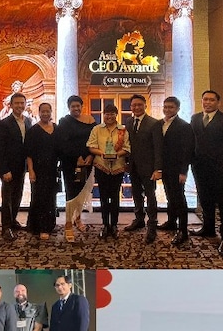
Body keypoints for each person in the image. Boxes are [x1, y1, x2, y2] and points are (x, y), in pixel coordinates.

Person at [189, 91, 223, 255]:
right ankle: (208, 227)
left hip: (221, 169)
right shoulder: (195, 118)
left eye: (211, 100)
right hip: (200, 168)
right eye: (205, 99)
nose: (208, 102)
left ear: (218, 102)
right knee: (205, 200)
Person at [55, 95, 97, 242]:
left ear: (81, 106)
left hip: (87, 162)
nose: (76, 108)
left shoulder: (90, 121)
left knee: (83, 193)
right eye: (73, 106)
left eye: (78, 106)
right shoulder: (64, 122)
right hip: (70, 163)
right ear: (69, 108)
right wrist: (76, 157)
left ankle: (78, 219)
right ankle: (68, 224)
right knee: (71, 193)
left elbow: (94, 140)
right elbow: (62, 143)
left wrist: (91, 156)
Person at [124, 93, 164, 242]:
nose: (136, 107)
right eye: (134, 105)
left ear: (145, 105)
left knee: (151, 196)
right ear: (131, 107)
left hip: (149, 168)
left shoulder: (154, 123)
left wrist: (158, 169)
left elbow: (158, 148)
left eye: (139, 105)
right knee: (136, 194)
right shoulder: (128, 121)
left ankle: (152, 226)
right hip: (133, 166)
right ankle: (139, 219)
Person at [86, 103, 129, 240]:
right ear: (103, 115)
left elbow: (127, 148)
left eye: (112, 114)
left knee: (115, 197)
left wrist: (117, 155)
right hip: (101, 166)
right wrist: (102, 153)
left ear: (116, 115)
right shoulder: (97, 129)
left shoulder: (123, 130)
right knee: (104, 198)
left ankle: (114, 226)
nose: (109, 116)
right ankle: (105, 225)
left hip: (117, 167)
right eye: (107, 114)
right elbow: (91, 146)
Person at [158, 97, 195, 247]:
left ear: (177, 109)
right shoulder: (160, 124)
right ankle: (172, 222)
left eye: (171, 107)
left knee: (179, 199)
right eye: (165, 107)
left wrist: (183, 172)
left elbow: (187, 151)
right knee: (169, 196)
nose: (167, 110)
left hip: (177, 169)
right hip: (165, 168)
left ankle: (183, 230)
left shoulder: (184, 126)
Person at [0, 92, 32, 240]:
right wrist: (4, 170)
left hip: (22, 167)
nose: (19, 106)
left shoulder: (29, 121)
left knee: (18, 195)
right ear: (11, 105)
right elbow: (0, 148)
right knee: (7, 198)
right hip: (9, 168)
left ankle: (13, 221)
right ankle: (5, 228)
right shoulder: (4, 123)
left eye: (22, 103)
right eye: (16, 103)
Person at [25, 102, 59, 239]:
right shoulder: (33, 130)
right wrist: (31, 171)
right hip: (38, 170)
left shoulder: (56, 128)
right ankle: (40, 227)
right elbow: (29, 153)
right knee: (39, 198)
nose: (45, 114)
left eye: (48, 111)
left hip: (52, 169)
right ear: (39, 113)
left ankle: (50, 225)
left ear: (51, 112)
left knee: (51, 198)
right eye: (43, 111)